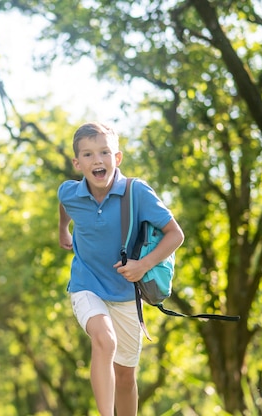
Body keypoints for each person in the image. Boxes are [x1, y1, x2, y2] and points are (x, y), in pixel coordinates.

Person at [58, 122, 184, 416]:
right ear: (78, 163)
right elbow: (64, 204)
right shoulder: (70, 192)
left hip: (126, 293)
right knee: (105, 340)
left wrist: (143, 266)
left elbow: (175, 234)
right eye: (88, 155)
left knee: (126, 376)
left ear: (117, 158)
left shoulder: (136, 192)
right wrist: (63, 231)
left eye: (104, 152)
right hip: (86, 284)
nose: (97, 160)